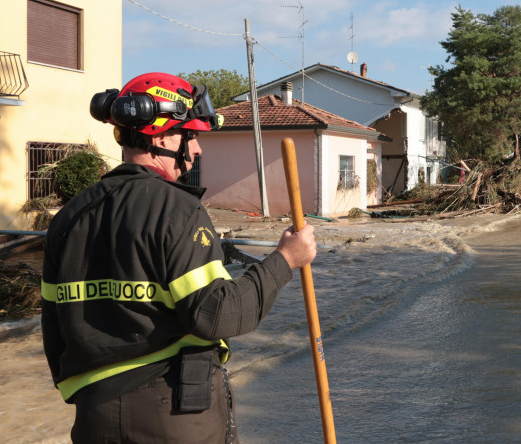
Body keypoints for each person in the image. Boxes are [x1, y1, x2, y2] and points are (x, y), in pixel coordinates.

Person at [41, 72, 317, 443]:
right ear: (160, 137)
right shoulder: (176, 208)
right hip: (173, 412)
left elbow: (54, 330)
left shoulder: (69, 216)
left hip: (94, 417)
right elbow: (217, 314)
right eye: (191, 135)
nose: (198, 149)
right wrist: (286, 259)